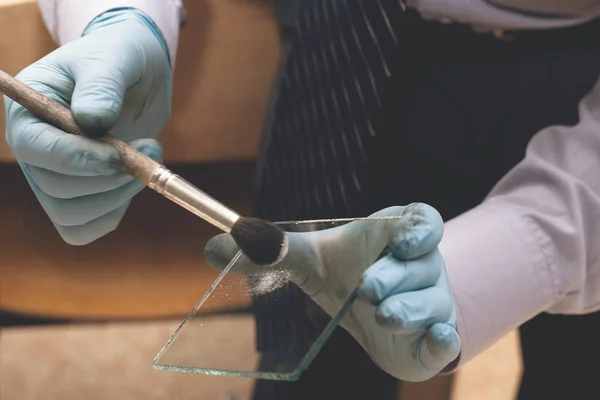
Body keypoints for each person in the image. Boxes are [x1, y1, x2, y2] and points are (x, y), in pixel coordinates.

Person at [4, 1, 600, 399]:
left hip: (581, 58)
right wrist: (120, 16)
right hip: (357, 48)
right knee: (320, 366)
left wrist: (532, 248)